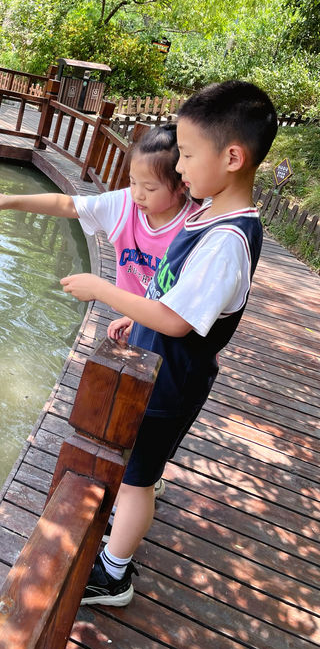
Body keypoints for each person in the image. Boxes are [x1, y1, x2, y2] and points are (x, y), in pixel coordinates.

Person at [57, 80, 277, 608]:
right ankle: (116, 541)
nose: (179, 168)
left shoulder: (227, 239)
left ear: (231, 157)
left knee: (138, 479)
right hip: (154, 367)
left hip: (172, 382)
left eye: (188, 155)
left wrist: (105, 291)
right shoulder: (210, 212)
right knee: (134, 465)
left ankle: (113, 574)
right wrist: (139, 324)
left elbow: (178, 321)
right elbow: (172, 296)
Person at [0, 123, 200, 305]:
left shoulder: (196, 229)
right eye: (132, 182)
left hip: (171, 340)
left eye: (149, 188)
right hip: (127, 320)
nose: (137, 194)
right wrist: (7, 200)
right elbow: (67, 204)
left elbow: (185, 305)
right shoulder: (123, 204)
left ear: (183, 184)